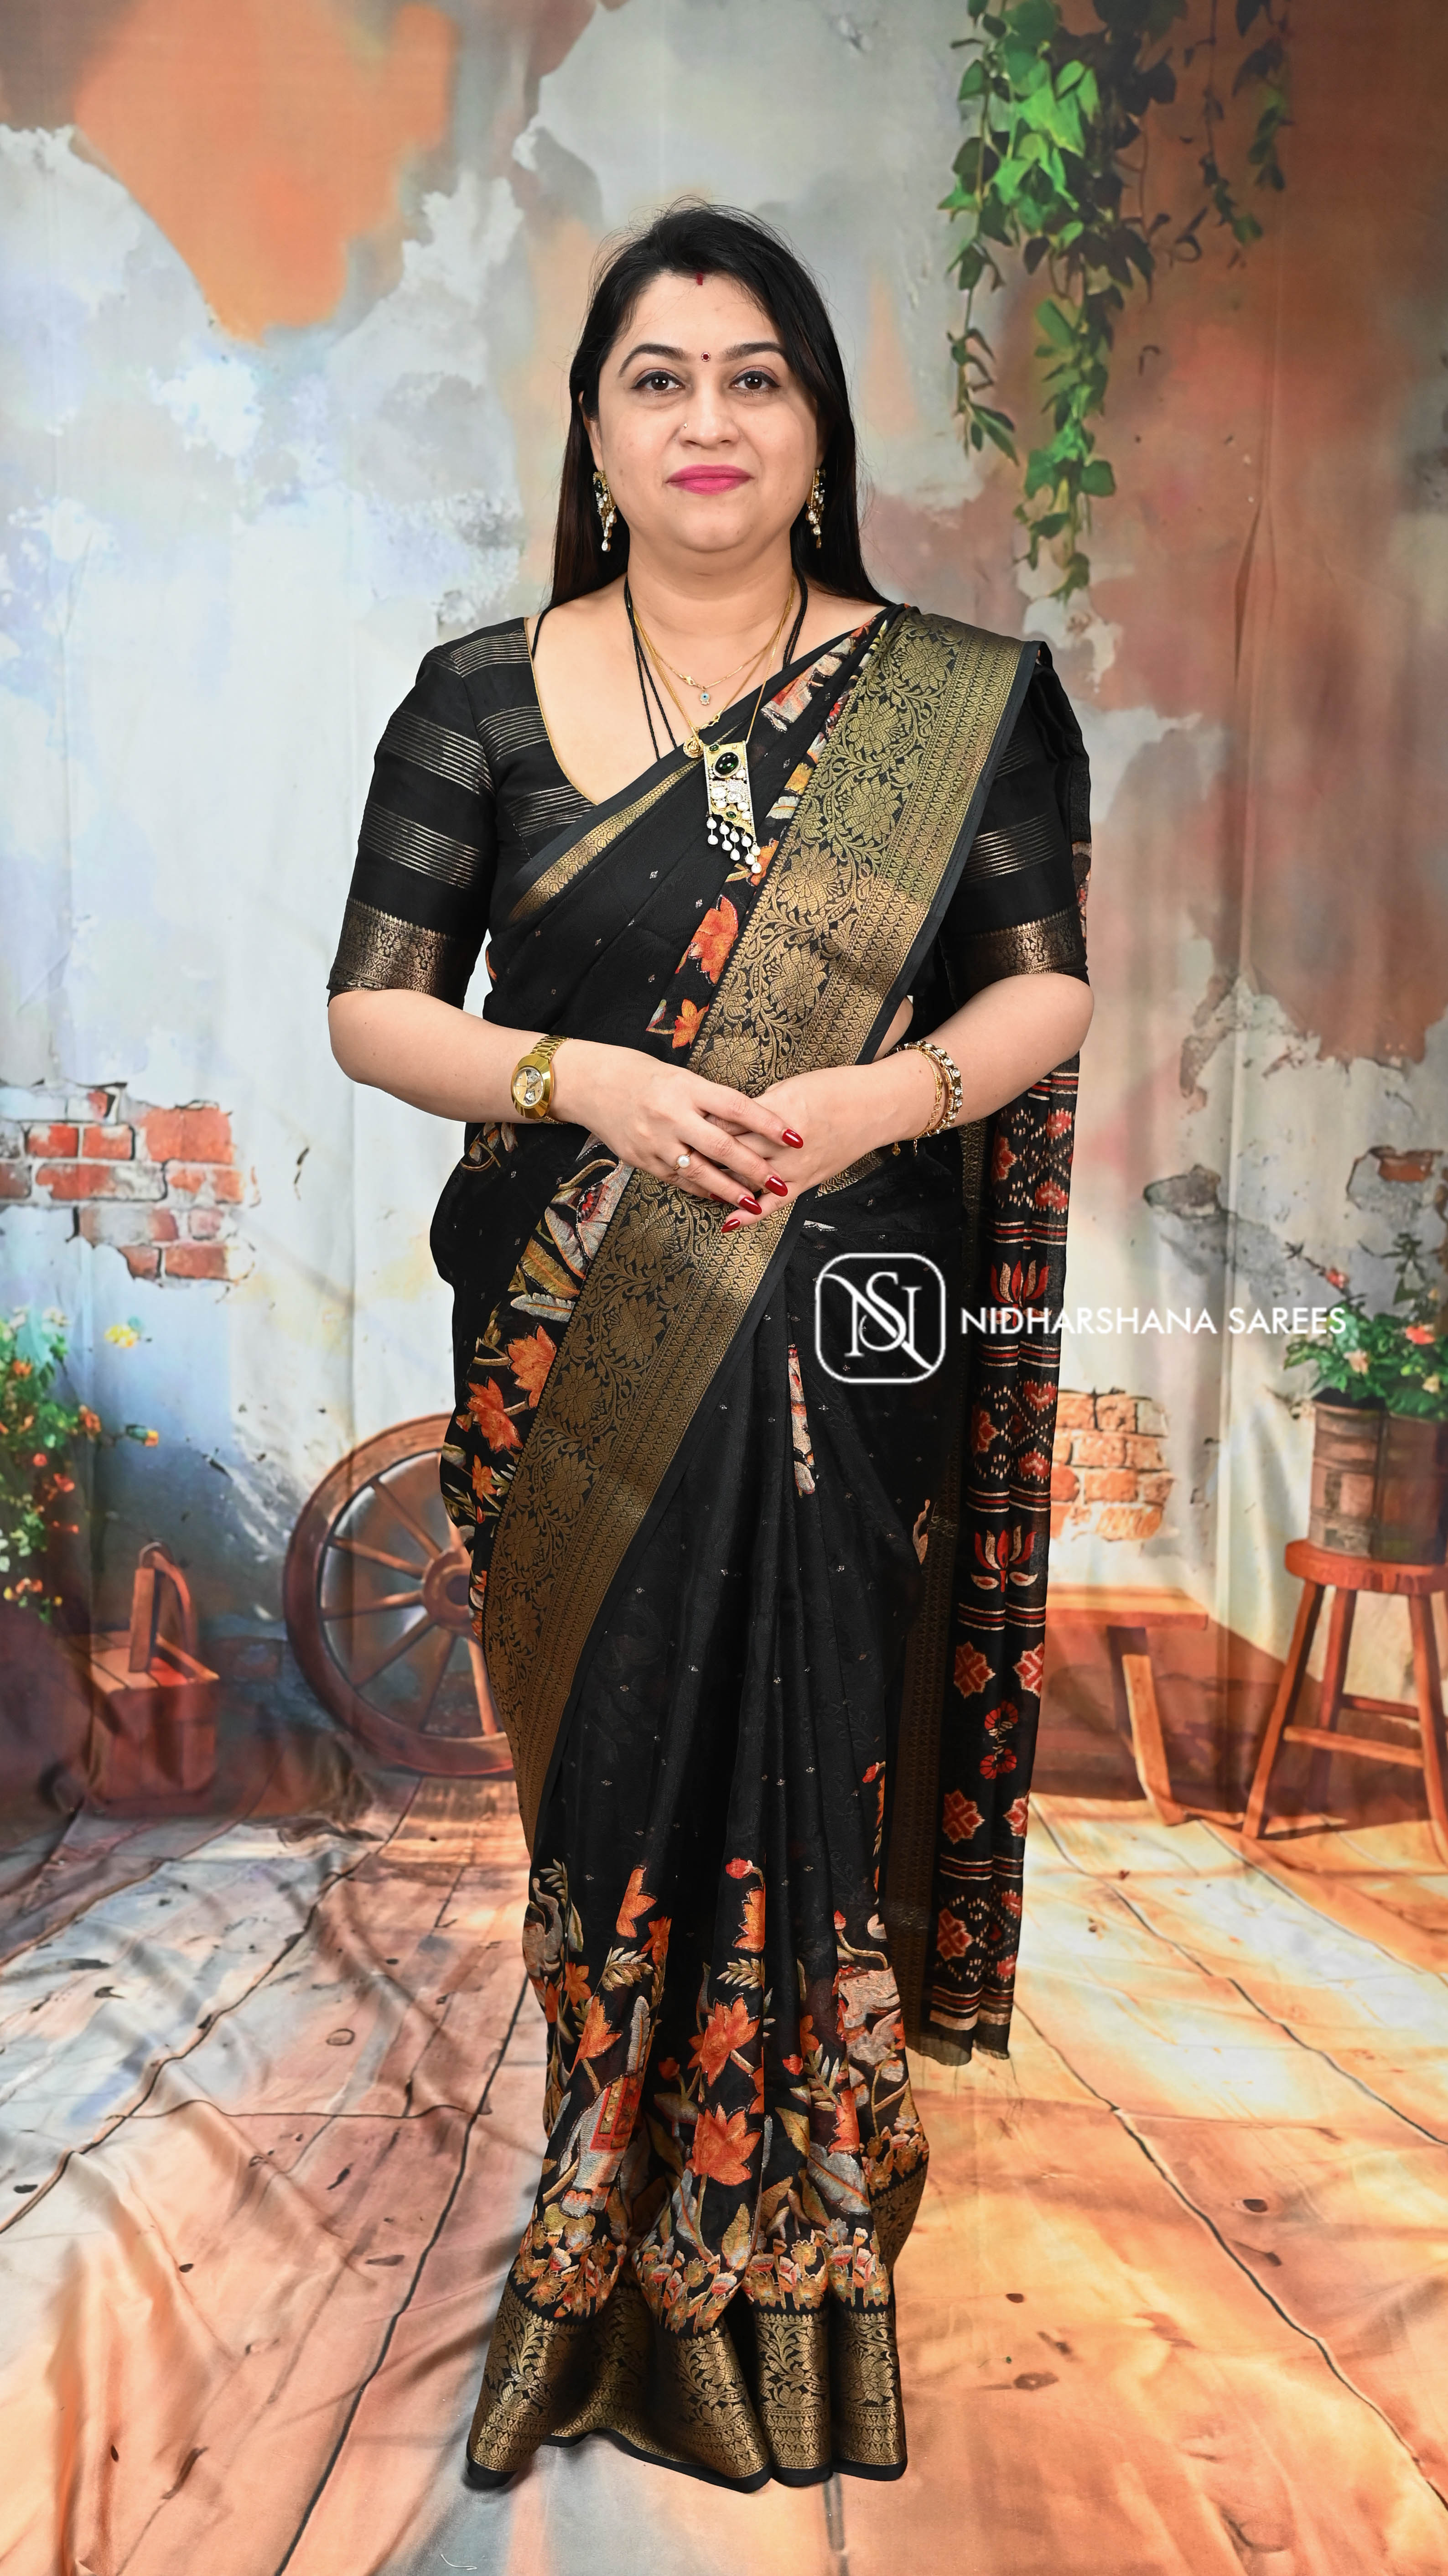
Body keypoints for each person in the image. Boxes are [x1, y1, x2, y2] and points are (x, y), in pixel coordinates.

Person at [327, 202, 1092, 2493]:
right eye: (655, 378)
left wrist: (876, 1099)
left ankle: (805, 2226)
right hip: (573, 1333)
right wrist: (587, 1079)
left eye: (753, 376)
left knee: (819, 1747)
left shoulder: (963, 700)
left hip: (857, 1322)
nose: (705, 419)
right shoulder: (477, 696)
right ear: (592, 429)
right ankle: (606, 2209)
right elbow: (374, 1011)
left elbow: (1041, 987)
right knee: (608, 1775)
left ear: (816, 429)